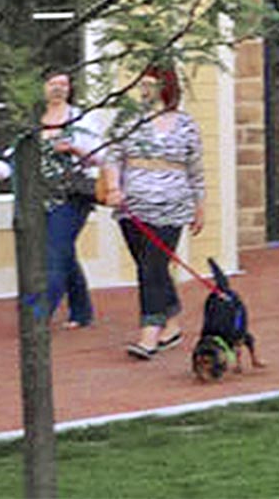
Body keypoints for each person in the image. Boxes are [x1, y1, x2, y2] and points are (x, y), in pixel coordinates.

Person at [0, 72, 109, 328]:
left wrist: (74, 148)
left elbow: (100, 157)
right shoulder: (33, 121)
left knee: (53, 253)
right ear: (43, 88)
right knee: (63, 253)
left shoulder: (81, 118)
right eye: (53, 84)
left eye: (64, 84)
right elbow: (14, 156)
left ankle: (37, 316)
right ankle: (82, 311)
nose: (58, 89)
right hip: (37, 198)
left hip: (71, 197)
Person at [104, 66, 201, 359]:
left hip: (172, 207)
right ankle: (171, 321)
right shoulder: (128, 120)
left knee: (152, 267)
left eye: (150, 85)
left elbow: (195, 170)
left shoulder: (186, 124)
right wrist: (112, 188)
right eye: (142, 84)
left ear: (165, 87)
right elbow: (112, 155)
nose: (143, 90)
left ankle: (149, 332)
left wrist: (201, 207)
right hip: (131, 207)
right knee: (148, 266)